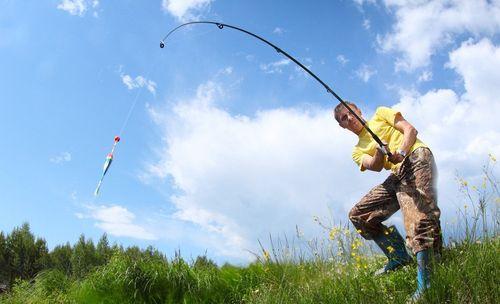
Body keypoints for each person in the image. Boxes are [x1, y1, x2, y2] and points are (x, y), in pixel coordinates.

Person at [333, 102, 443, 302]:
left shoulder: (381, 114)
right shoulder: (357, 150)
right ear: (343, 127)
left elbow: (410, 130)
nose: (349, 119)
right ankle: (398, 257)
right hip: (396, 174)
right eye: (343, 119)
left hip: (415, 157)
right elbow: (373, 166)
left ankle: (426, 283)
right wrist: (379, 151)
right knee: (358, 215)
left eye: (349, 113)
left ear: (358, 110)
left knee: (418, 218)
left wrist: (400, 152)